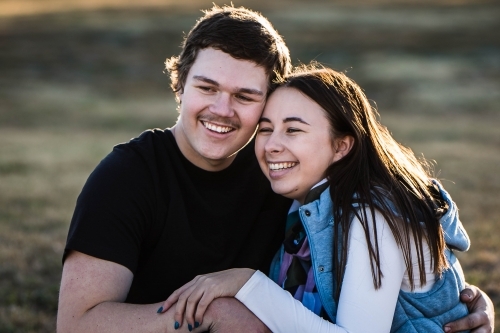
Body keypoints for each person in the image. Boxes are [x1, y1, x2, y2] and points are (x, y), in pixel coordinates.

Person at [57, 5, 494, 333]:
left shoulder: (282, 170)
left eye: (246, 97)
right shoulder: (127, 176)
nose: (222, 110)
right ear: (180, 84)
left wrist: (462, 300)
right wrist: (214, 313)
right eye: (207, 87)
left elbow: (399, 247)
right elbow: (75, 325)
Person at [161, 65, 494, 333]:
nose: (271, 145)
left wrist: (246, 282)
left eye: (293, 130)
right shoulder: (304, 206)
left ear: (341, 146)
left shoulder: (374, 215)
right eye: (265, 129)